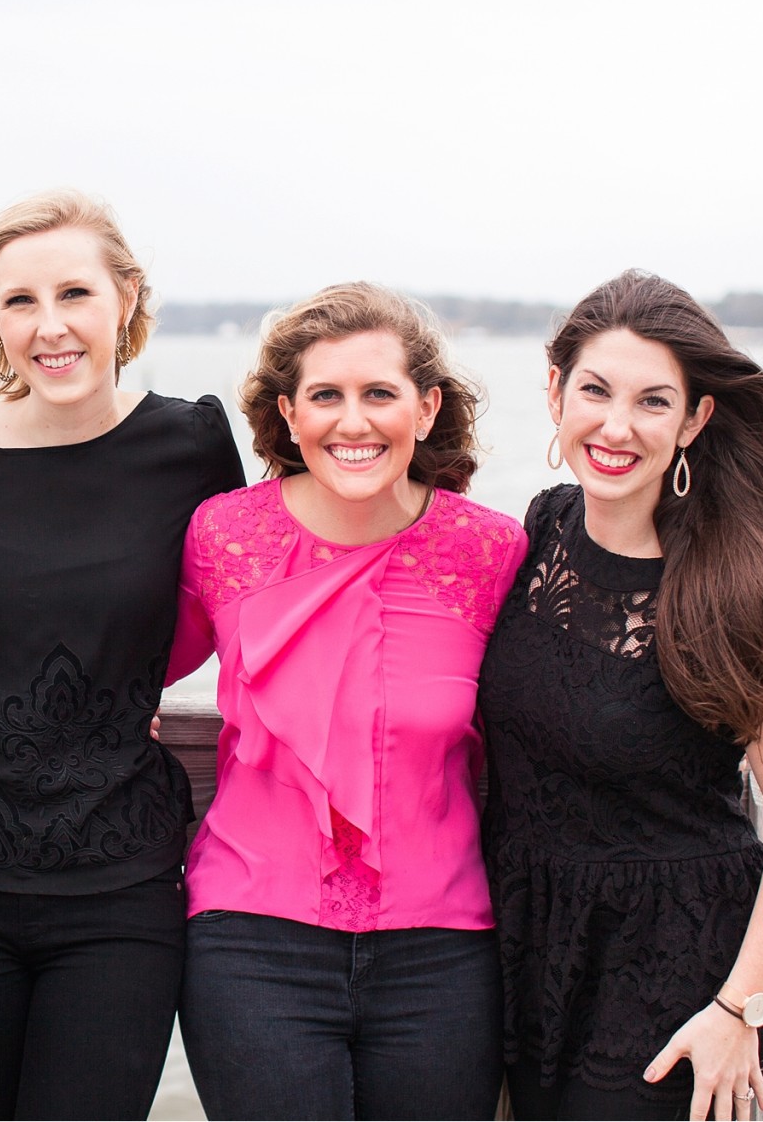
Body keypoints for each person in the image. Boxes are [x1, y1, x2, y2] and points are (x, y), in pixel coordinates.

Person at [0, 189, 246, 1119]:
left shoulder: (193, 443)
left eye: (75, 294)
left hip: (119, 885)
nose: (52, 327)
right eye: (20, 302)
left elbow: (252, 603)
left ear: (125, 299)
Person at [478, 270, 763, 1122]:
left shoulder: (741, 585)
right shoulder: (542, 529)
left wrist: (738, 1009)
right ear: (555, 392)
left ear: (694, 420)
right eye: (595, 391)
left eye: (652, 402)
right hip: (528, 952)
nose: (615, 426)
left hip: (674, 977)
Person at [168, 283, 526, 1120]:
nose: (352, 422)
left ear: (426, 407)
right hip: (251, 942)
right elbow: (129, 662)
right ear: (289, 415)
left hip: (443, 952)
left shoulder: (491, 549)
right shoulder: (222, 536)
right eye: (326, 396)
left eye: (379, 394)